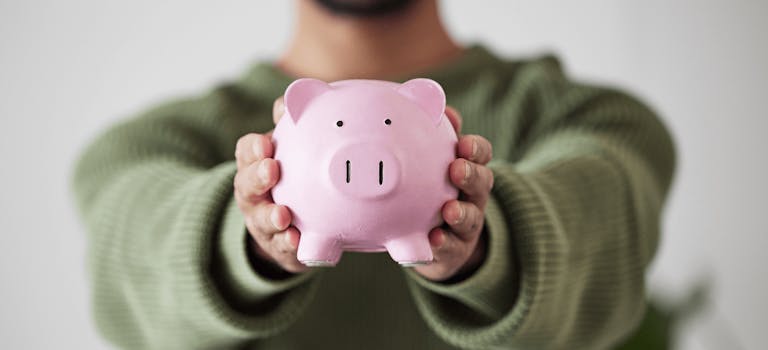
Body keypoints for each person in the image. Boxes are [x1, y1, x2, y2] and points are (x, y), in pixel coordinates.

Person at [72, 0, 676, 349]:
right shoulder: (146, 148)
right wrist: (250, 230)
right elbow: (130, 228)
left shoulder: (598, 122)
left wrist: (483, 237)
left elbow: (607, 204)